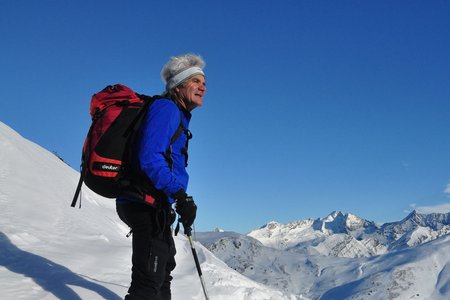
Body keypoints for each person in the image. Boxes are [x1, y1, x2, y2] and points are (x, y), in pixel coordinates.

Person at [116, 53, 206, 300]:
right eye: (196, 81)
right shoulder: (166, 109)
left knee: (162, 271)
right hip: (144, 202)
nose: (203, 87)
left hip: (154, 204)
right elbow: (150, 157)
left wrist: (177, 198)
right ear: (179, 85)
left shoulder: (177, 114)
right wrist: (178, 194)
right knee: (148, 282)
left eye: (204, 82)